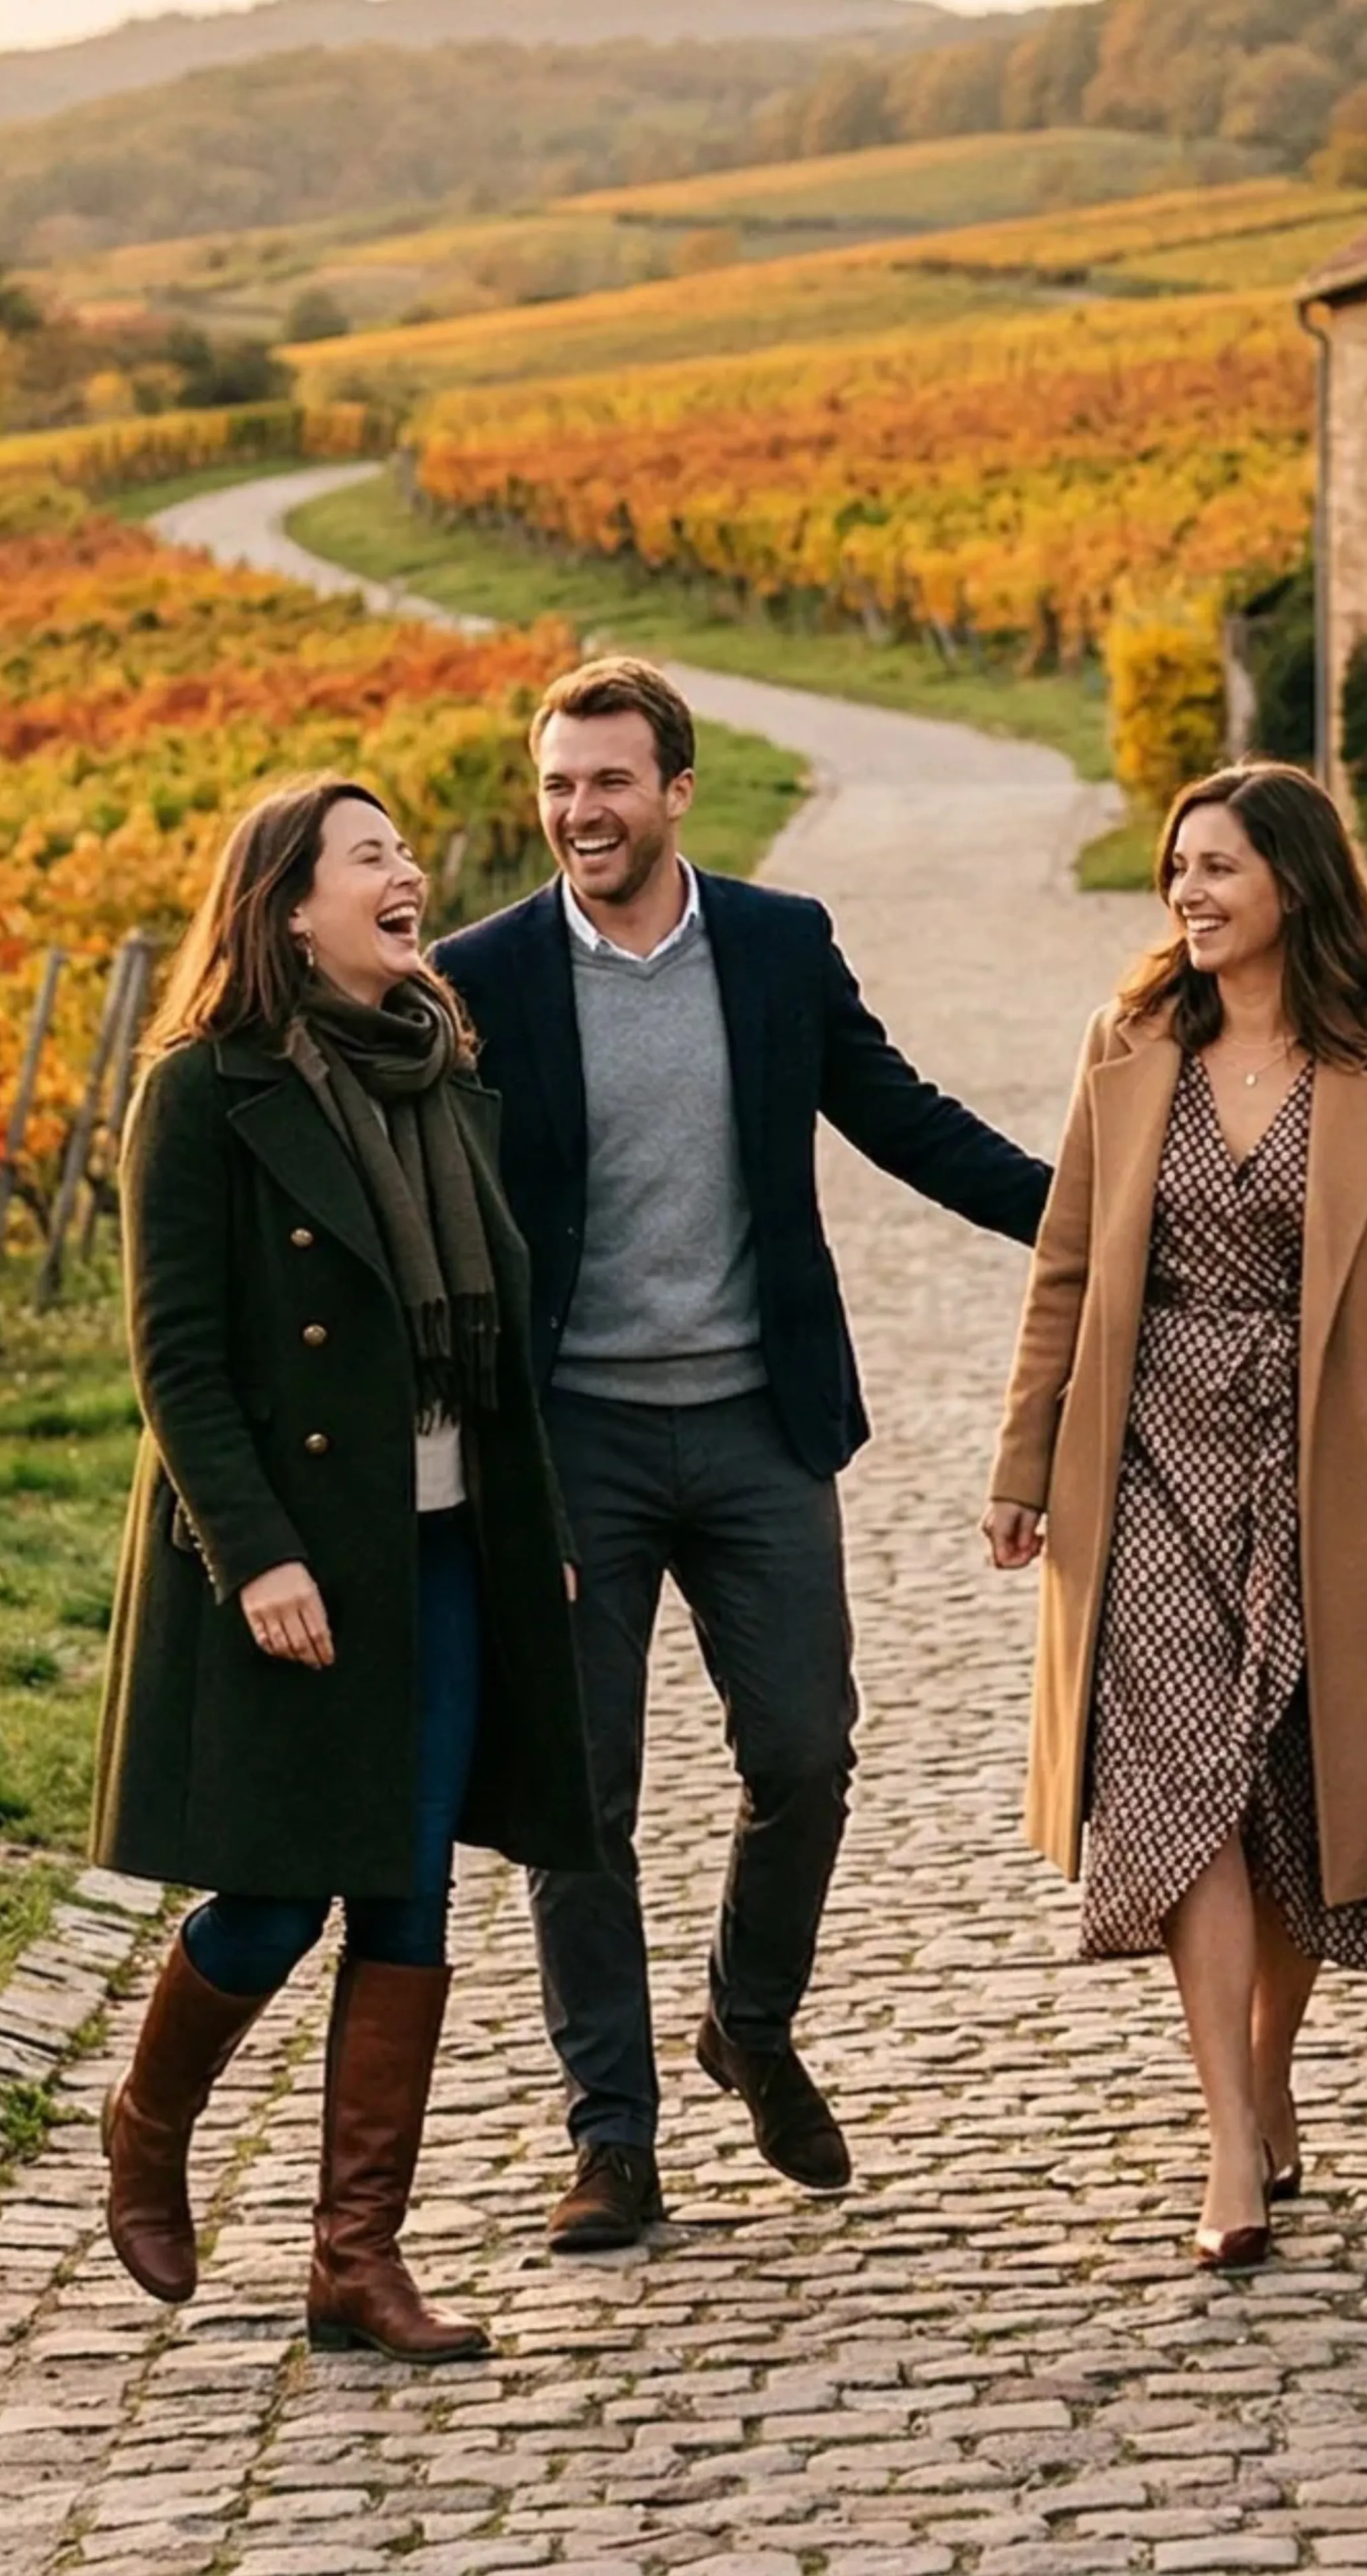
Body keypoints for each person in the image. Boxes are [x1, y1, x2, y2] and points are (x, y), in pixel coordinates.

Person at [428, 656, 1052, 2253]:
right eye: (559, 785)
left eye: (610, 782)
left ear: (676, 791)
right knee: (583, 1803)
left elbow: (902, 1117)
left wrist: (1087, 1220)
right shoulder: (478, 979)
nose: (580, 812)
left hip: (759, 1422)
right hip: (574, 1445)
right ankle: (612, 2138)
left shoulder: (776, 949)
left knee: (804, 1753)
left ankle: (746, 2019)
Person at [90, 776, 596, 2364]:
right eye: (369, 856)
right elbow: (175, 1357)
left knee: (413, 1884)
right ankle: (147, 2119)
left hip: (446, 1542)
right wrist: (255, 1555)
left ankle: (353, 2259)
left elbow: (496, 1344)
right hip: (294, 1552)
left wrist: (542, 1542)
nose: (408, 873)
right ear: (288, 902)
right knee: (271, 1890)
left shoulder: (441, 1066)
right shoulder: (202, 1090)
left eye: (402, 854)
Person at [987, 762, 1367, 2269]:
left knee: (1295, 1794)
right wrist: (1023, 1465)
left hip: (1331, 1459)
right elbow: (1065, 1267)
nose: (1190, 895)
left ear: (1294, 883)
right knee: (1183, 1781)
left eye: (1217, 868)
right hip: (1147, 1457)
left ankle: (1269, 2069)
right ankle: (1225, 2137)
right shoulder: (1128, 1043)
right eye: (1177, 871)